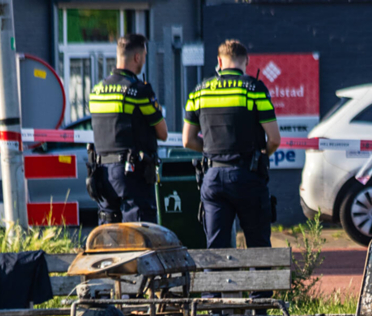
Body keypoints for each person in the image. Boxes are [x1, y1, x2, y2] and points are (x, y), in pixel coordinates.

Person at [183, 39, 281, 258]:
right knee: (258, 246)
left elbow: (187, 140)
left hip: (213, 176)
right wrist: (262, 154)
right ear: (245, 61)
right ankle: (260, 294)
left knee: (215, 249)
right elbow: (274, 139)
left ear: (219, 61)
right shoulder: (254, 88)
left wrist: (211, 151)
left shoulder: (199, 91)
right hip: (248, 175)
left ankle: (213, 293)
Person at [87, 33, 168, 224]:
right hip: (131, 176)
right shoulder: (139, 91)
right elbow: (163, 133)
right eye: (145, 56)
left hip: (101, 174)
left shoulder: (96, 91)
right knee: (139, 237)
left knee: (109, 239)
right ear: (137, 57)